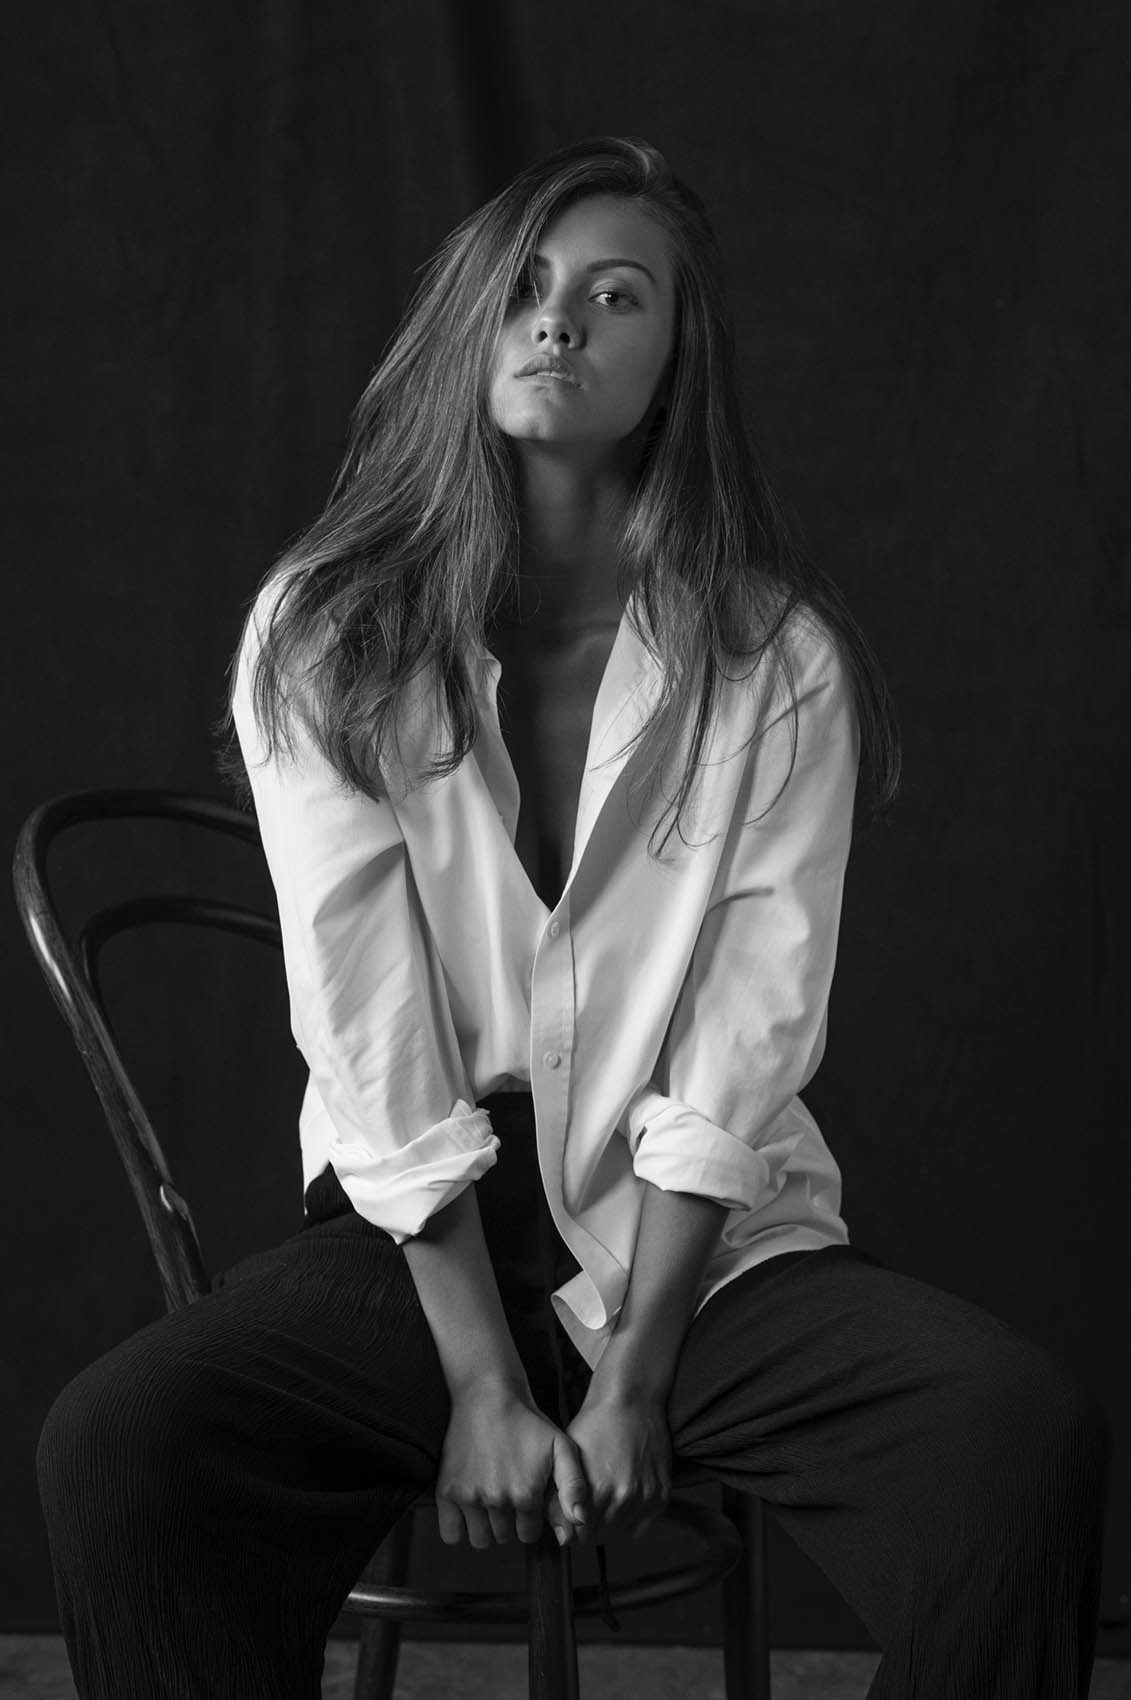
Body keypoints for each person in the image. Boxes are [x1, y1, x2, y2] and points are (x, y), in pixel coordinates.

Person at [37, 136, 1110, 1699]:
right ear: (475, 326)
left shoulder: (776, 661)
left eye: (618, 297)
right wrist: (483, 1377)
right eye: (528, 289)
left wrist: (637, 1375)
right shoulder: (327, 633)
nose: (559, 320)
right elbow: (363, 1014)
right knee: (121, 1445)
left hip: (695, 1247)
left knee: (1014, 1436)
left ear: (678, 361)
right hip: (418, 1245)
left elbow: (749, 1028)